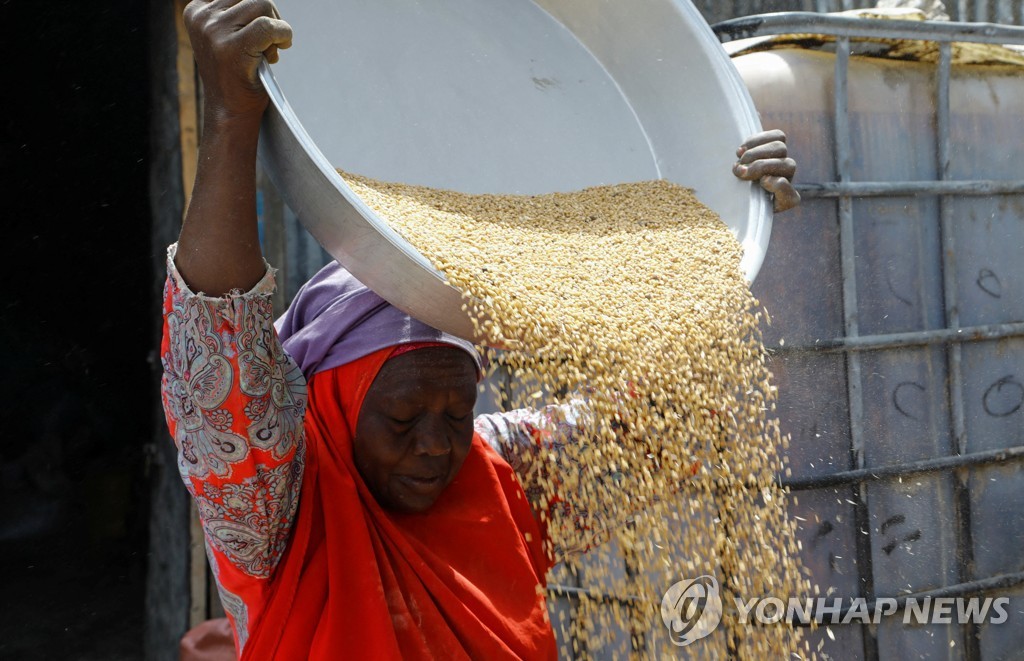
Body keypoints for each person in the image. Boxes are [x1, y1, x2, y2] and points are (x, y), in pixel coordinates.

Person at [164, 1, 801, 658]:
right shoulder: (279, 502)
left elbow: (675, 416)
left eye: (457, 411)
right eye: (403, 416)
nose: (436, 446)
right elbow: (218, 332)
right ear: (337, 400)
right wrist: (231, 119)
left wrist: (727, 225)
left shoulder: (498, 471)